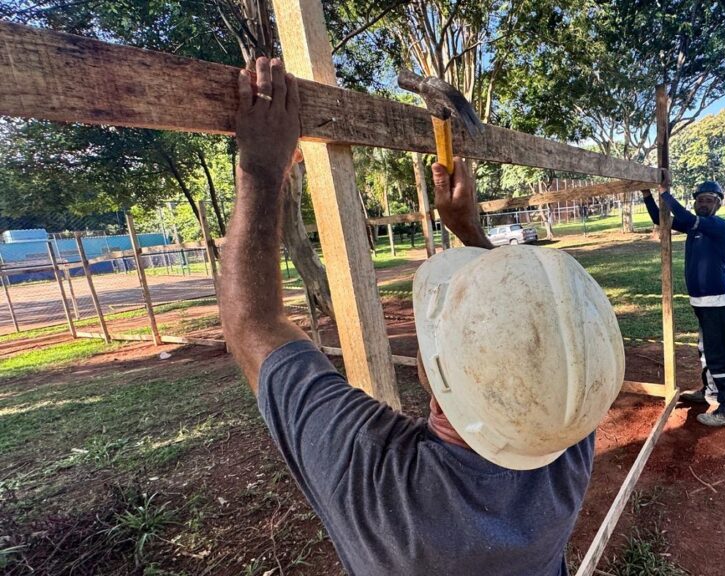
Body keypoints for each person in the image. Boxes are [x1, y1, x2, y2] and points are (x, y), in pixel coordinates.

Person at [219, 57, 625, 575]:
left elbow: (251, 326)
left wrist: (260, 167)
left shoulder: (381, 482)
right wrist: (468, 230)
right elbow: (543, 340)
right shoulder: (565, 430)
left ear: (434, 371)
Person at [642, 180, 725, 427]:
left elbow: (684, 216)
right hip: (703, 303)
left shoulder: (718, 225)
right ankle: (711, 393)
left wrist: (665, 193)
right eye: (700, 200)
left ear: (718, 204)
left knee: (720, 356)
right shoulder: (694, 228)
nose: (703, 203)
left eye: (709, 199)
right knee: (707, 352)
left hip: (717, 303)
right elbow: (660, 218)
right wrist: (647, 195)